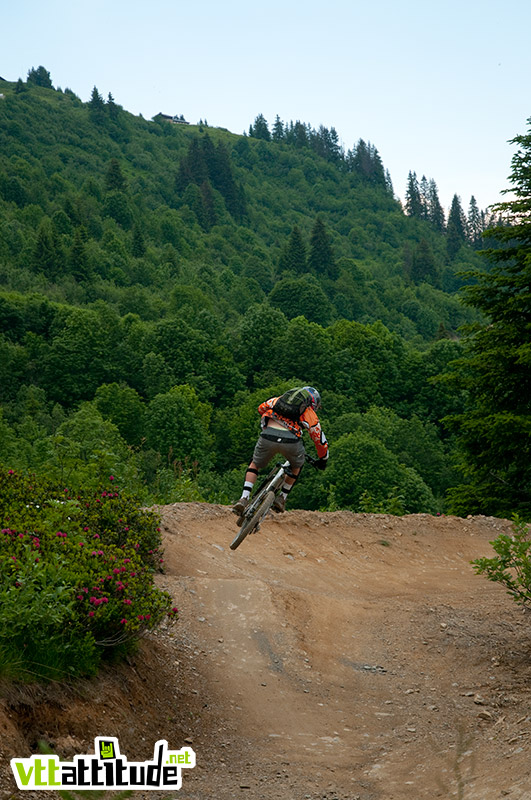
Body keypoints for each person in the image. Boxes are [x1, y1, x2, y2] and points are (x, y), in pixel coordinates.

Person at [233, 386, 328, 517]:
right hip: (291, 443)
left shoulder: (278, 401)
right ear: (312, 403)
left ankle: (244, 498)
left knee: (255, 464)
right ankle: (282, 498)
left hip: (267, 437)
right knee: (297, 466)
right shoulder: (309, 413)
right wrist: (323, 459)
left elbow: (261, 408)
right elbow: (320, 440)